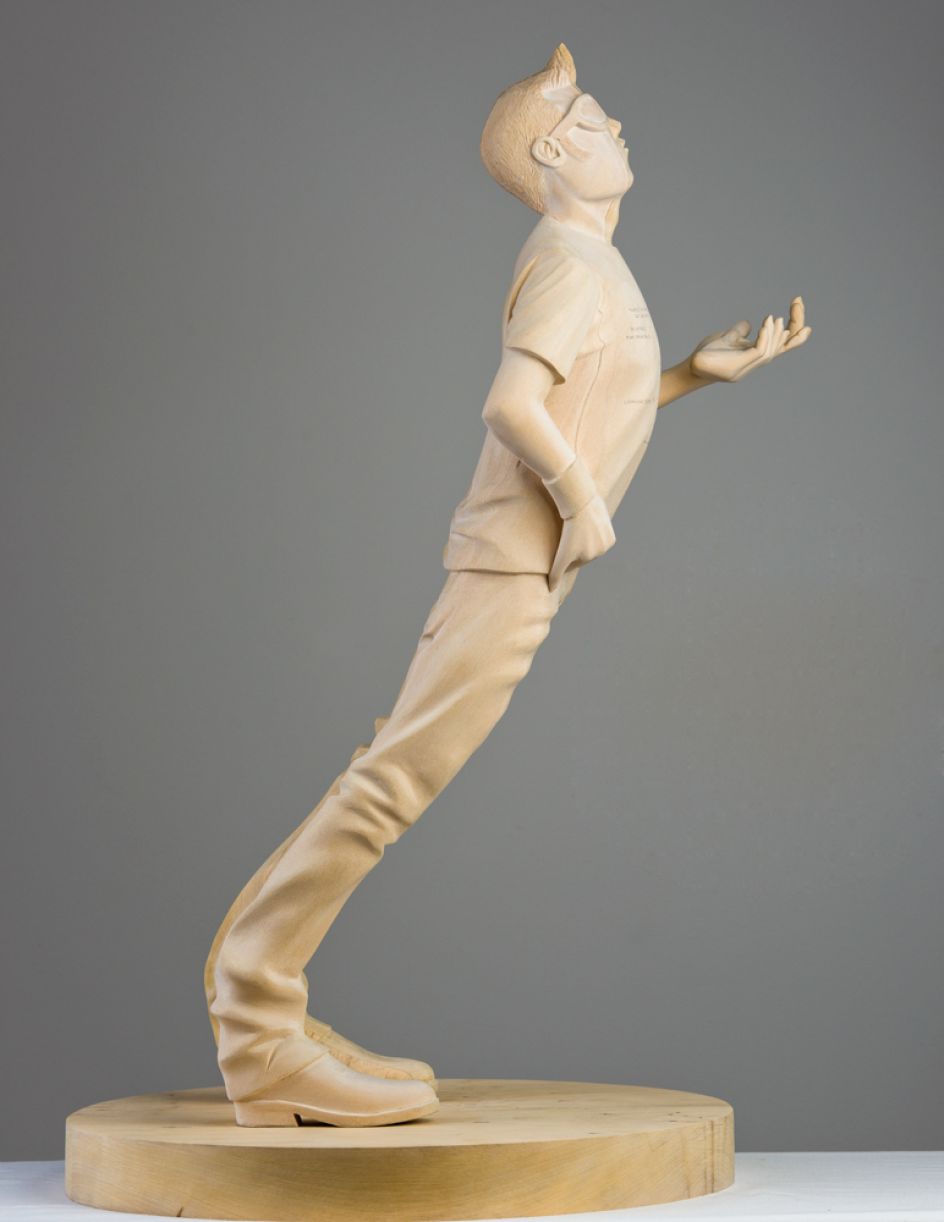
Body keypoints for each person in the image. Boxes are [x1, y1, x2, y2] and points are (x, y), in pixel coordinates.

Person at [207, 43, 811, 1128]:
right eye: (592, 119)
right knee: (390, 783)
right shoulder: (571, 263)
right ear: (552, 154)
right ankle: (256, 1029)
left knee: (389, 773)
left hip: (523, 561)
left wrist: (689, 373)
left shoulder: (590, 258)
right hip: (509, 560)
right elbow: (511, 407)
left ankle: (264, 1014)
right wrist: (583, 503)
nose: (615, 127)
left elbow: (579, 401)